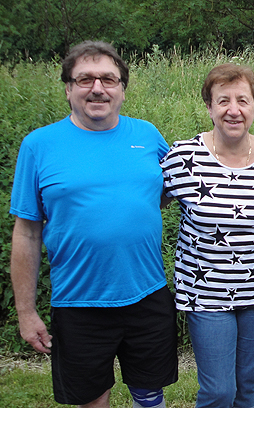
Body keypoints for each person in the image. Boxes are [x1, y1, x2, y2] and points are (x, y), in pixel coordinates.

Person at [10, 40, 177, 408]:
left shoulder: (147, 136)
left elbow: (171, 190)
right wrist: (26, 312)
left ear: (122, 88)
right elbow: (26, 231)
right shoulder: (39, 146)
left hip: (146, 294)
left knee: (150, 395)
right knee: (90, 404)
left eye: (108, 79)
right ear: (68, 88)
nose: (98, 88)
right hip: (79, 302)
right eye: (85, 79)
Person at [160, 64, 254, 407]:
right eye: (223, 101)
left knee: (246, 388)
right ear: (209, 107)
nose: (234, 110)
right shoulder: (183, 157)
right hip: (205, 293)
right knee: (219, 391)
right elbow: (146, 206)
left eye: (243, 101)